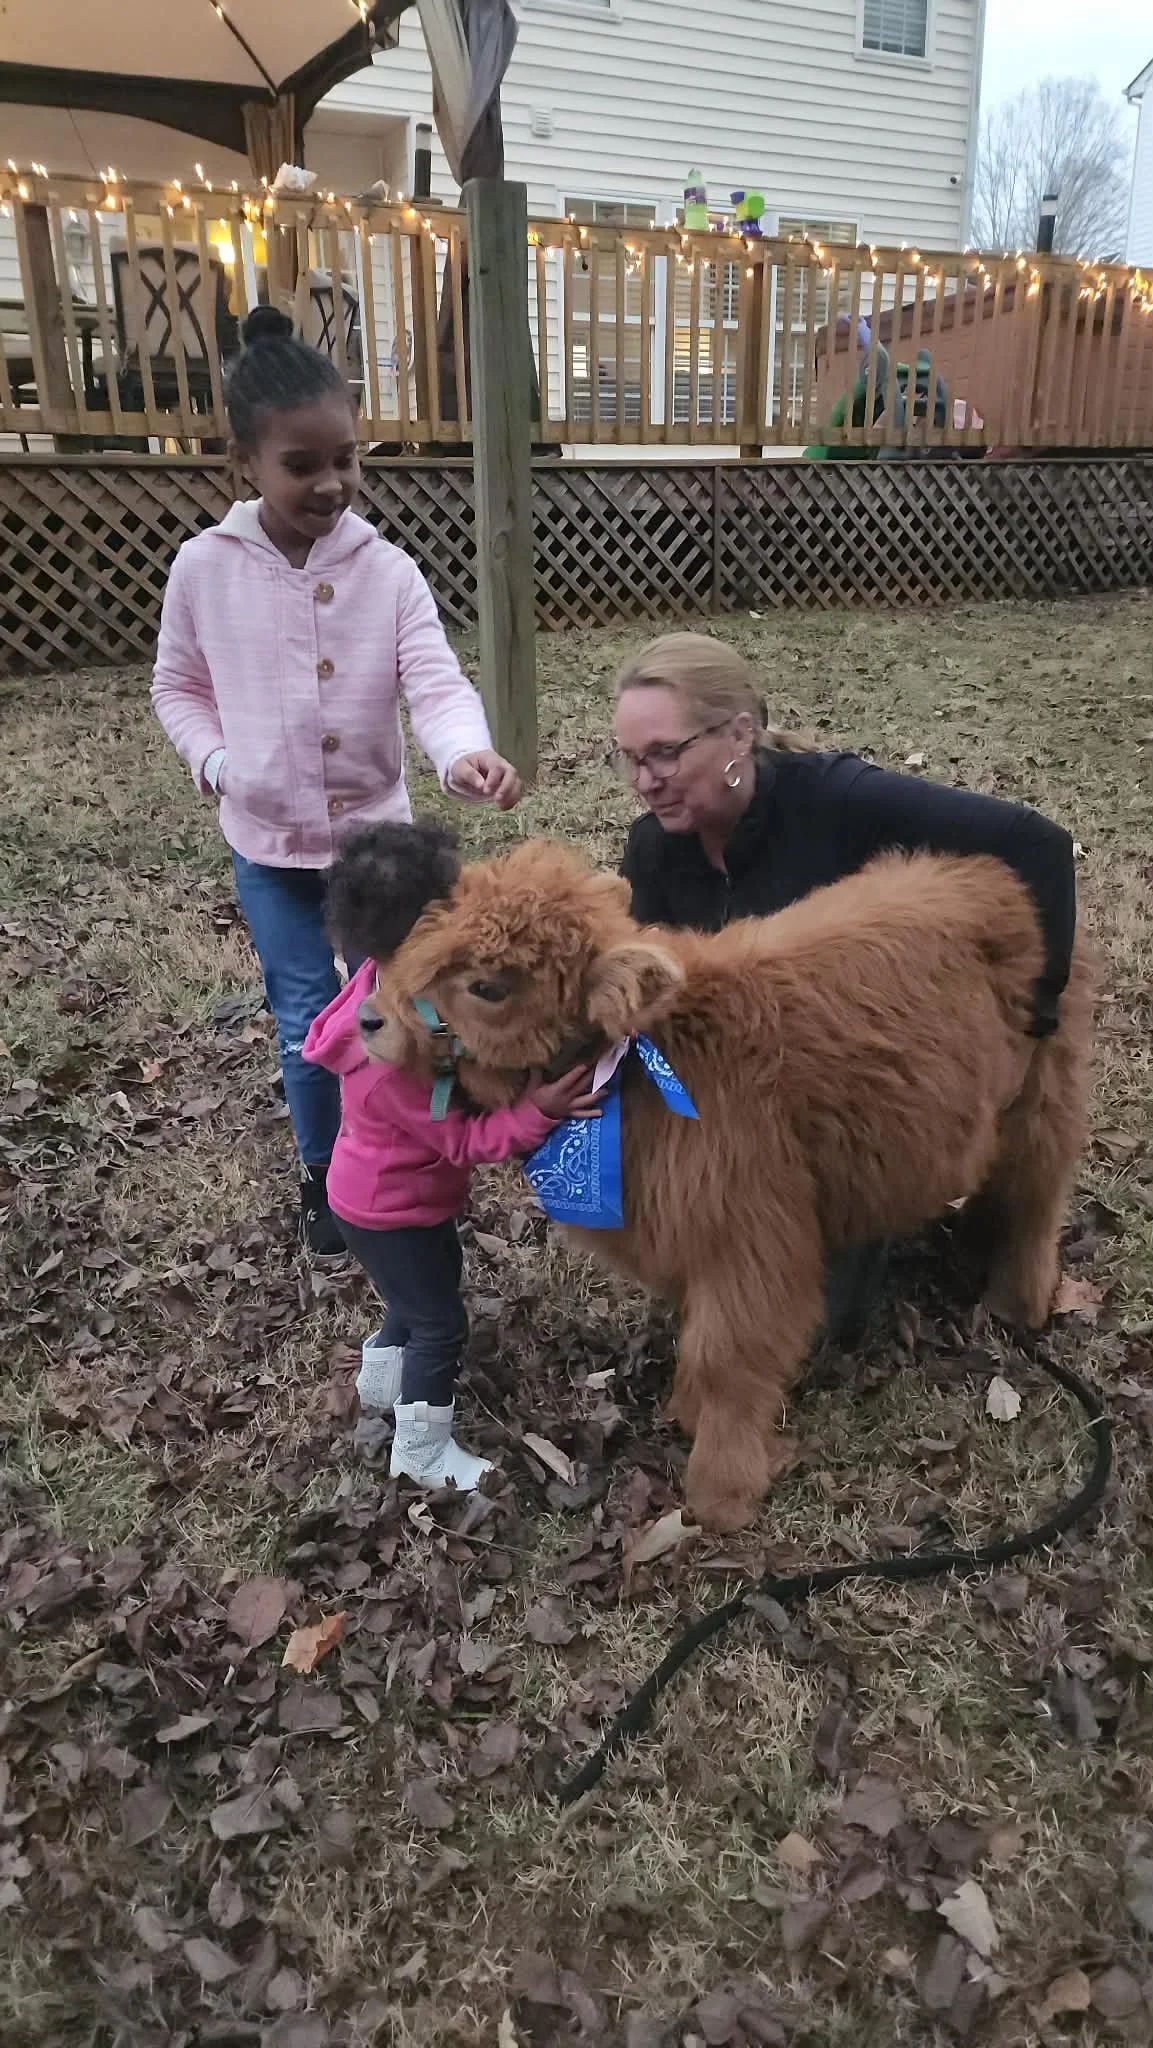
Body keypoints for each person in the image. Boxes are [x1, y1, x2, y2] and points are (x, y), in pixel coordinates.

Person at [151, 305, 521, 1255]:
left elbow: (431, 678)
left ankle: (422, 1158)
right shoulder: (203, 569)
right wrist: (219, 762)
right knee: (305, 1017)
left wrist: (460, 750)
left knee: (404, 1005)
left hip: (380, 857)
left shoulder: (387, 571)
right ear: (244, 463)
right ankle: (328, 1173)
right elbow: (179, 688)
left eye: (347, 460)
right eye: (302, 465)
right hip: (268, 847)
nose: (332, 483)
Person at [614, 632, 1077, 1341]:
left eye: (666, 754)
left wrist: (1035, 1022)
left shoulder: (838, 799)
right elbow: (657, 1019)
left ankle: (1016, 1252)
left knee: (820, 1317)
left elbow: (1036, 843)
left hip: (870, 1080)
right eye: (632, 760)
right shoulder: (653, 849)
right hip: (761, 1098)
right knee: (733, 1288)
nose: (647, 781)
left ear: (739, 734)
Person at [305, 823, 603, 1489]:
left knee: (412, 1295)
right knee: (440, 1323)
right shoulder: (397, 1054)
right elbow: (466, 1142)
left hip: (387, 1199)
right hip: (389, 1208)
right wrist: (538, 1111)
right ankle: (420, 1451)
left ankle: (380, 1379)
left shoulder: (383, 982)